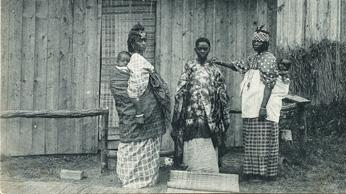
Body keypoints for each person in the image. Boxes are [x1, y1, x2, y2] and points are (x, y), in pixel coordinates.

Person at [212, 26, 280, 180]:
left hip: (263, 106)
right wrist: (220, 62)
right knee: (251, 140)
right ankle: (251, 171)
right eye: (253, 41)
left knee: (262, 141)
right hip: (251, 107)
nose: (255, 43)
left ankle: (264, 173)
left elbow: (269, 85)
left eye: (258, 41)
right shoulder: (253, 58)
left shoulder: (269, 59)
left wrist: (263, 107)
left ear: (266, 43)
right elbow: (238, 66)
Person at [110, 23, 170, 189]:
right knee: (140, 146)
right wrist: (139, 112)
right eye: (140, 40)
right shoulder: (137, 60)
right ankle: (140, 180)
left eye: (145, 40)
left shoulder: (136, 60)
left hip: (143, 110)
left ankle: (135, 178)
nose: (144, 43)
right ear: (132, 43)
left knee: (139, 147)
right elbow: (134, 89)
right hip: (142, 111)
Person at [171, 37, 230, 173]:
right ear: (195, 50)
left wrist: (218, 103)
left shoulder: (214, 70)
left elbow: (222, 90)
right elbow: (181, 88)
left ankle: (209, 168)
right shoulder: (190, 66)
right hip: (191, 112)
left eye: (205, 48)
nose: (202, 51)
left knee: (209, 138)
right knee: (192, 137)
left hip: (210, 113)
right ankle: (193, 168)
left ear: (209, 50)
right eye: (200, 48)